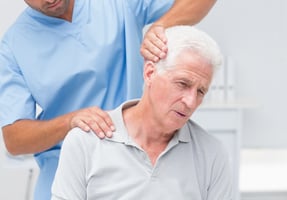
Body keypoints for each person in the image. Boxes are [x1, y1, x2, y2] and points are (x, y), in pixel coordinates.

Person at [0, 0, 217, 199]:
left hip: (137, 165)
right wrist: (70, 122)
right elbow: (15, 139)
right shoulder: (13, 46)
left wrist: (160, 27)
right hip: (62, 173)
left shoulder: (116, 4)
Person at [51, 25, 233, 200]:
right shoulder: (86, 142)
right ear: (149, 73)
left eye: (200, 91)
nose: (191, 102)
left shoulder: (212, 154)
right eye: (182, 84)